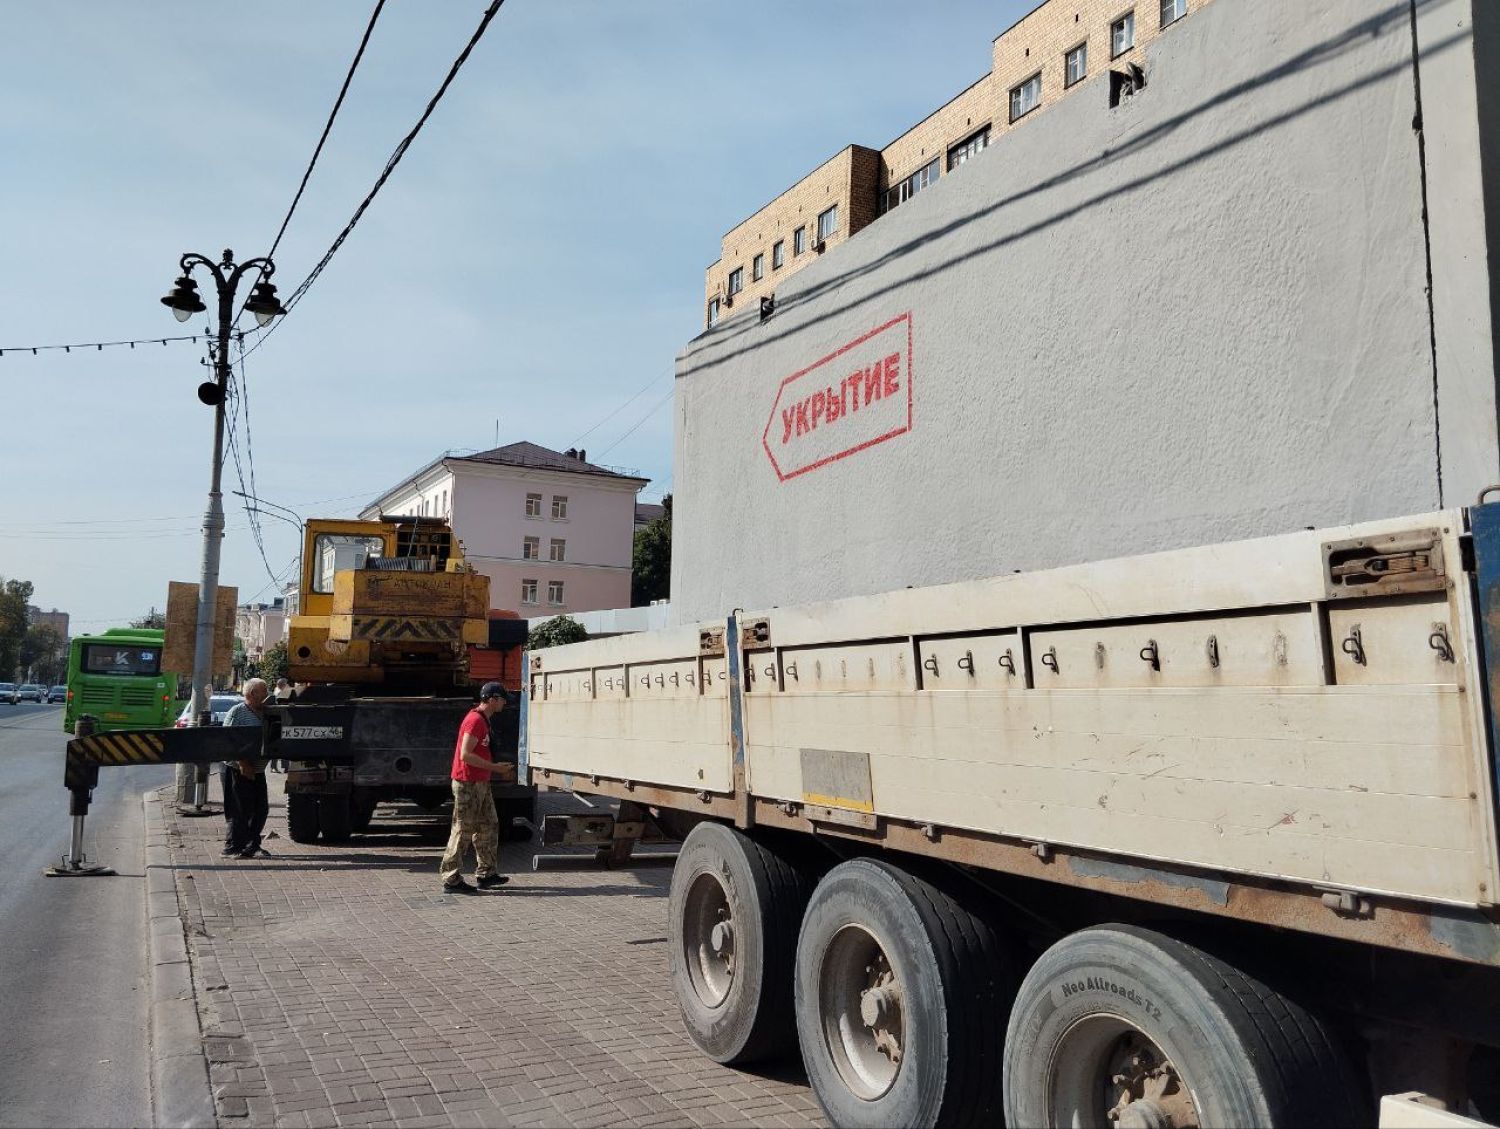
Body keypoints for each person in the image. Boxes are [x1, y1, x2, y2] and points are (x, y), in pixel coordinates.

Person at [439, 682, 511, 894]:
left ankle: (486, 874)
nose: (505, 703)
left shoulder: (483, 720)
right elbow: (466, 755)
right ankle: (451, 879)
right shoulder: (475, 721)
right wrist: (496, 768)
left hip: (480, 782)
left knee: (489, 824)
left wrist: (492, 769)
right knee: (463, 829)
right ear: (492, 699)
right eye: (502, 699)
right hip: (467, 783)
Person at [222, 678, 271, 859]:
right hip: (239, 769)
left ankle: (252, 845)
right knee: (239, 810)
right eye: (264, 691)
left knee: (260, 809)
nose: (267, 695)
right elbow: (228, 740)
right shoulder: (238, 712)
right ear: (252, 694)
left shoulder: (265, 712)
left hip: (258, 770)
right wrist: (243, 763)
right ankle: (233, 848)